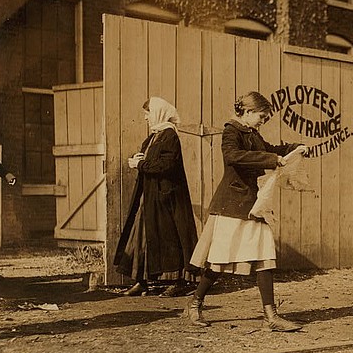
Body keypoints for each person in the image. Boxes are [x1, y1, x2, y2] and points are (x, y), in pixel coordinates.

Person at [184, 91, 308, 331]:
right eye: (261, 116)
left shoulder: (252, 133)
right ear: (248, 112)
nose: (263, 121)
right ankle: (195, 303)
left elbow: (271, 149)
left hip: (253, 203)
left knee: (265, 255)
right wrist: (272, 159)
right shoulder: (231, 130)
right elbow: (233, 157)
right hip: (231, 203)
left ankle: (270, 316)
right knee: (219, 261)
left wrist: (295, 147)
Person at [113, 97, 199, 297]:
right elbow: (153, 159)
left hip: (166, 197)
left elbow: (167, 165)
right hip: (150, 196)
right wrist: (140, 158)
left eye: (148, 113)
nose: (146, 118)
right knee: (141, 237)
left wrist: (140, 165)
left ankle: (178, 282)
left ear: (159, 113)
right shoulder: (154, 136)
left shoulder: (169, 135)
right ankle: (141, 281)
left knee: (169, 237)